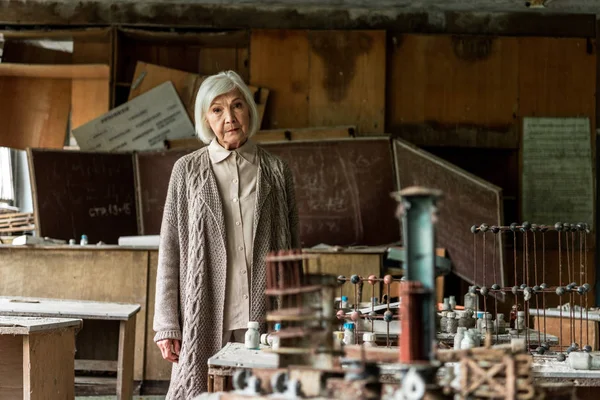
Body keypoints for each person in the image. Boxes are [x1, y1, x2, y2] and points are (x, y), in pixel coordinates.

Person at [153, 70, 299, 398]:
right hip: (203, 312)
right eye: (217, 109)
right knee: (199, 390)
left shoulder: (277, 172)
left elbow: (293, 252)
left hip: (263, 313)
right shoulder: (186, 171)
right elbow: (170, 249)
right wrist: (167, 324)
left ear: (250, 111)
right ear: (205, 118)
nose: (229, 117)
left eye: (237, 106)